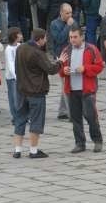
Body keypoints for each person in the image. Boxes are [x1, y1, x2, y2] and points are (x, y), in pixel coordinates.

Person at [13, 28, 66, 159]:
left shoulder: (20, 48)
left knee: (20, 119)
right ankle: (33, 150)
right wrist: (60, 62)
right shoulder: (37, 53)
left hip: (21, 90)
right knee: (36, 121)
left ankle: (17, 150)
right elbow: (51, 69)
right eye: (45, 38)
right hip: (35, 92)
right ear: (40, 39)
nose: (46, 41)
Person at [59, 26, 105, 153]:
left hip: (87, 89)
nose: (72, 40)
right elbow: (60, 68)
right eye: (70, 37)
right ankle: (80, 143)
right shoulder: (66, 50)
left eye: (75, 37)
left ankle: (97, 141)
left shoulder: (91, 49)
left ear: (82, 37)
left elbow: (100, 66)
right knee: (75, 118)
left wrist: (85, 69)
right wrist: (63, 71)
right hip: (72, 89)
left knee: (91, 116)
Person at [4, 27, 21, 125]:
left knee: (20, 97)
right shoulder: (9, 49)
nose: (21, 36)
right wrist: (15, 76)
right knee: (14, 98)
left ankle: (22, 116)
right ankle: (15, 117)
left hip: (20, 75)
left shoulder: (20, 46)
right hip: (12, 78)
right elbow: (10, 64)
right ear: (15, 36)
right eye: (19, 34)